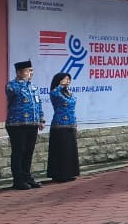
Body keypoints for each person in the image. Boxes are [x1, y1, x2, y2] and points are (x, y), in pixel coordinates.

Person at [5, 60, 44, 190]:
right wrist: (22, 80)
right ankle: (18, 180)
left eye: (31, 71)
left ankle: (27, 177)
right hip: (17, 124)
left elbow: (38, 104)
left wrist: (41, 119)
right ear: (19, 72)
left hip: (32, 124)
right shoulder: (12, 85)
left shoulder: (33, 87)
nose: (31, 73)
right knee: (18, 151)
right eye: (28, 71)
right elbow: (13, 93)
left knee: (28, 152)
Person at [46, 72, 80, 183]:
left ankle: (70, 173)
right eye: (65, 79)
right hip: (60, 124)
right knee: (61, 150)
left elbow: (72, 103)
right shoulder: (55, 93)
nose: (67, 81)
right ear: (59, 80)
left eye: (69, 79)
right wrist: (60, 85)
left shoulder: (69, 92)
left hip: (71, 123)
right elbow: (55, 92)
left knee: (70, 150)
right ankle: (59, 174)